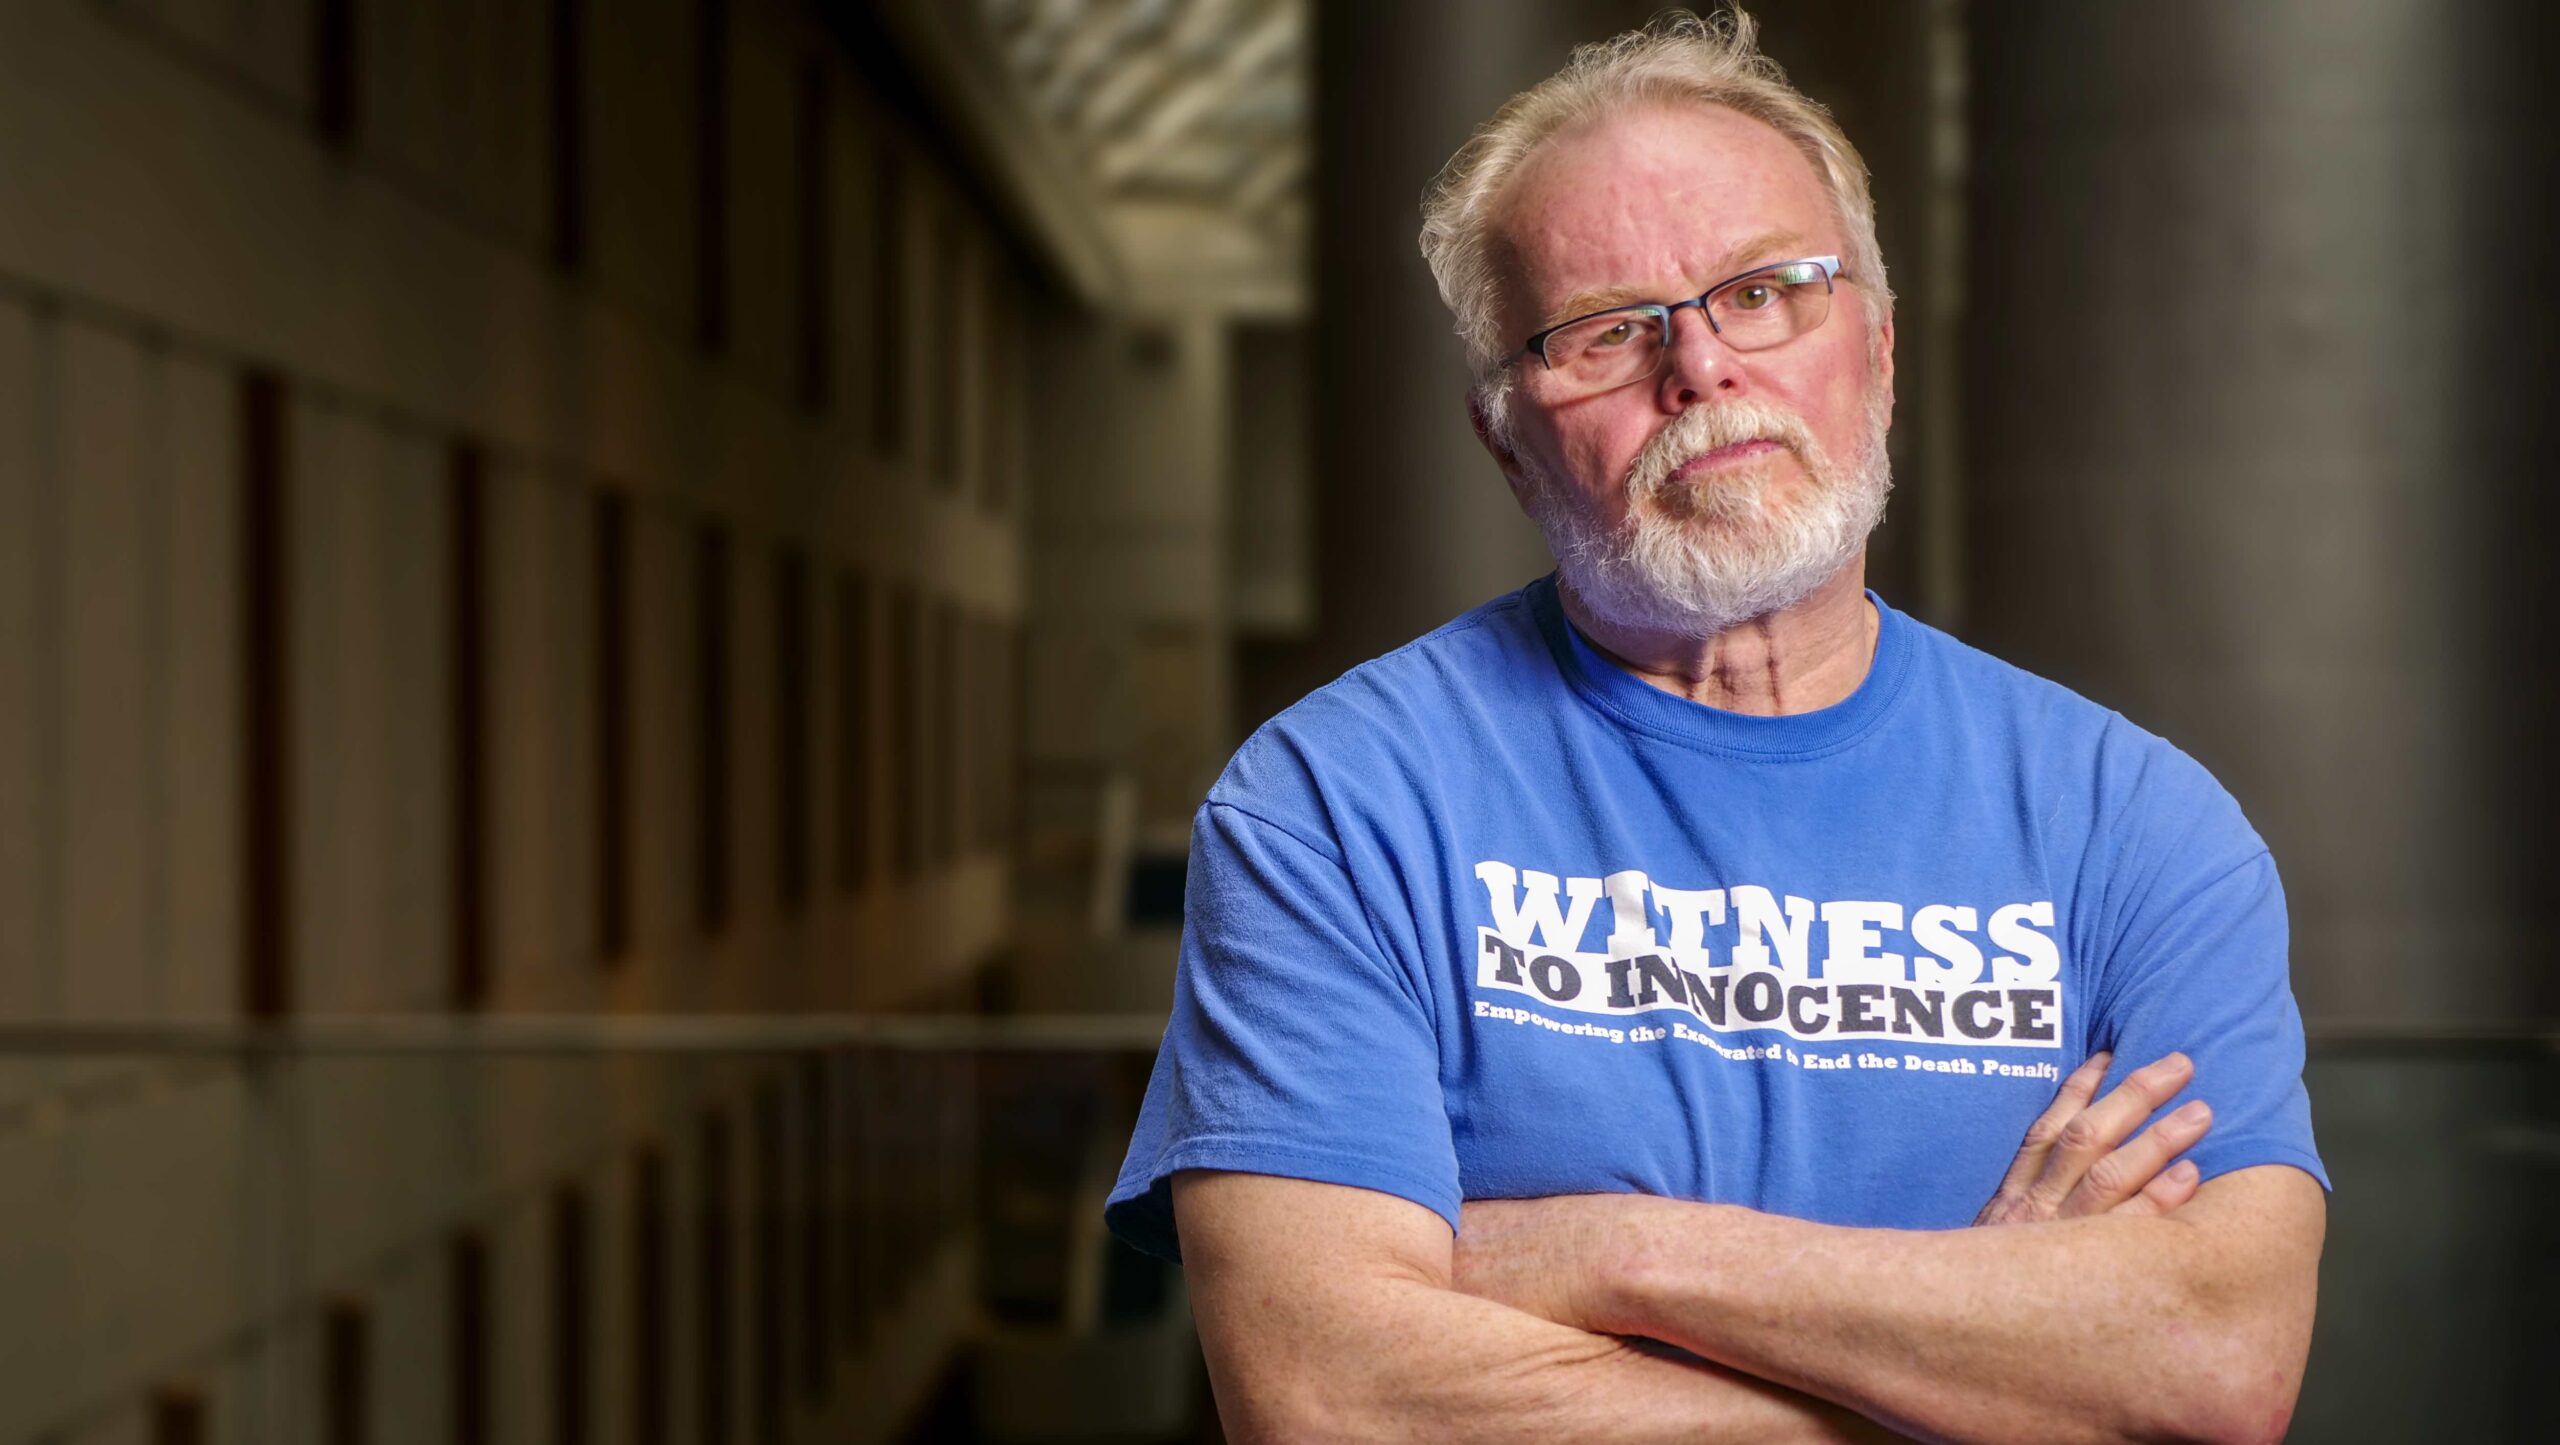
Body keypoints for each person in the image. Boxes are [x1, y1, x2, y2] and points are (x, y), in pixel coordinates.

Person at [1106, 10, 2326, 1441]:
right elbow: (1333, 1401)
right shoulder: (1334, 804)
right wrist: (1989, 1352)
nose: (1701, 368)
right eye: (1607, 331)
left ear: (1873, 345)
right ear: (1508, 438)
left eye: (1766, 290)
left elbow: (2216, 1362)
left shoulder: (2142, 827)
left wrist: (1610, 1254)